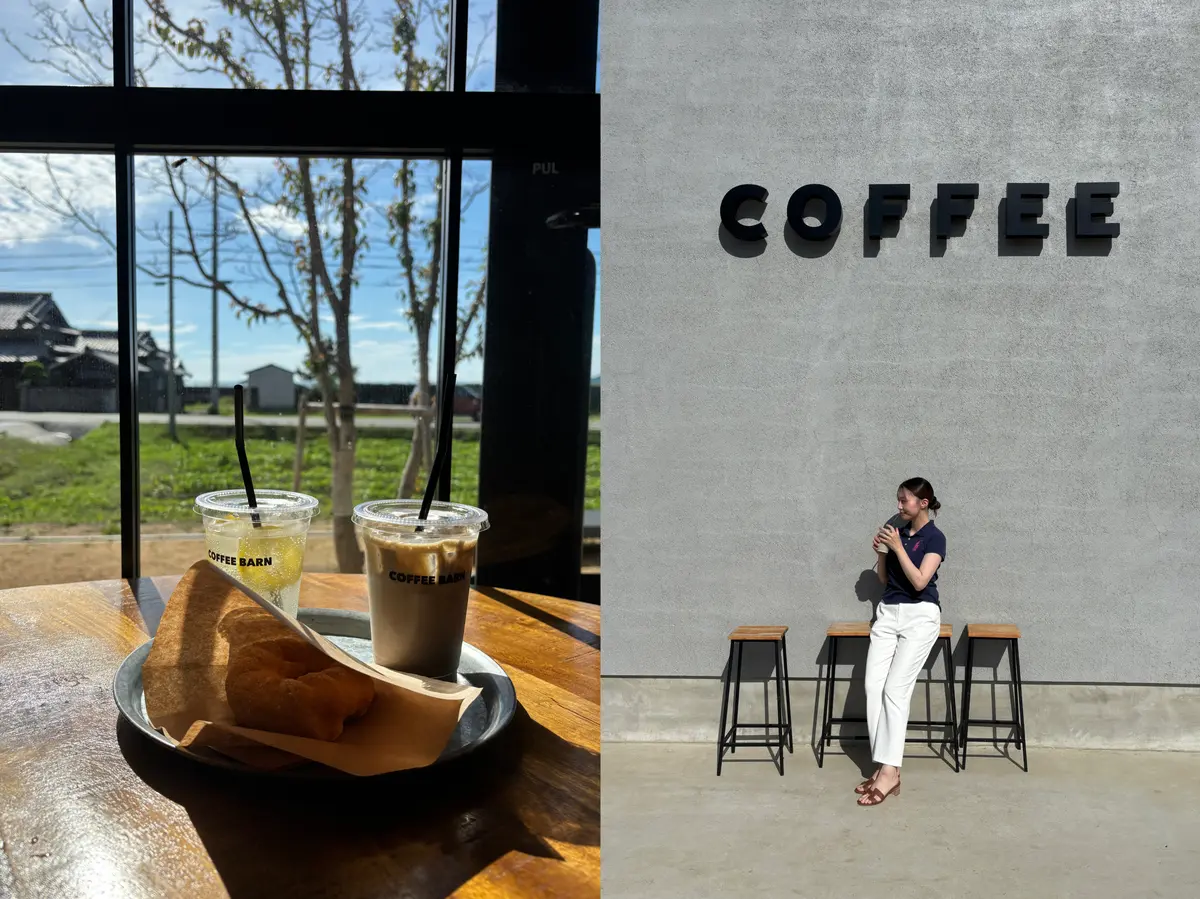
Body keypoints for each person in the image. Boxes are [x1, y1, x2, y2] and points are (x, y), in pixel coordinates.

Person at [855, 477, 946, 807]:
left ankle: (890, 773)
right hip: (888, 613)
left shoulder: (934, 538)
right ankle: (883, 767)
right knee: (873, 687)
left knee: (895, 691)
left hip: (919, 616)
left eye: (904, 501)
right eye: (897, 500)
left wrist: (897, 549)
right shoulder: (897, 532)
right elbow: (883, 580)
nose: (898, 506)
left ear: (922, 503)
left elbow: (921, 581)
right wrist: (882, 552)